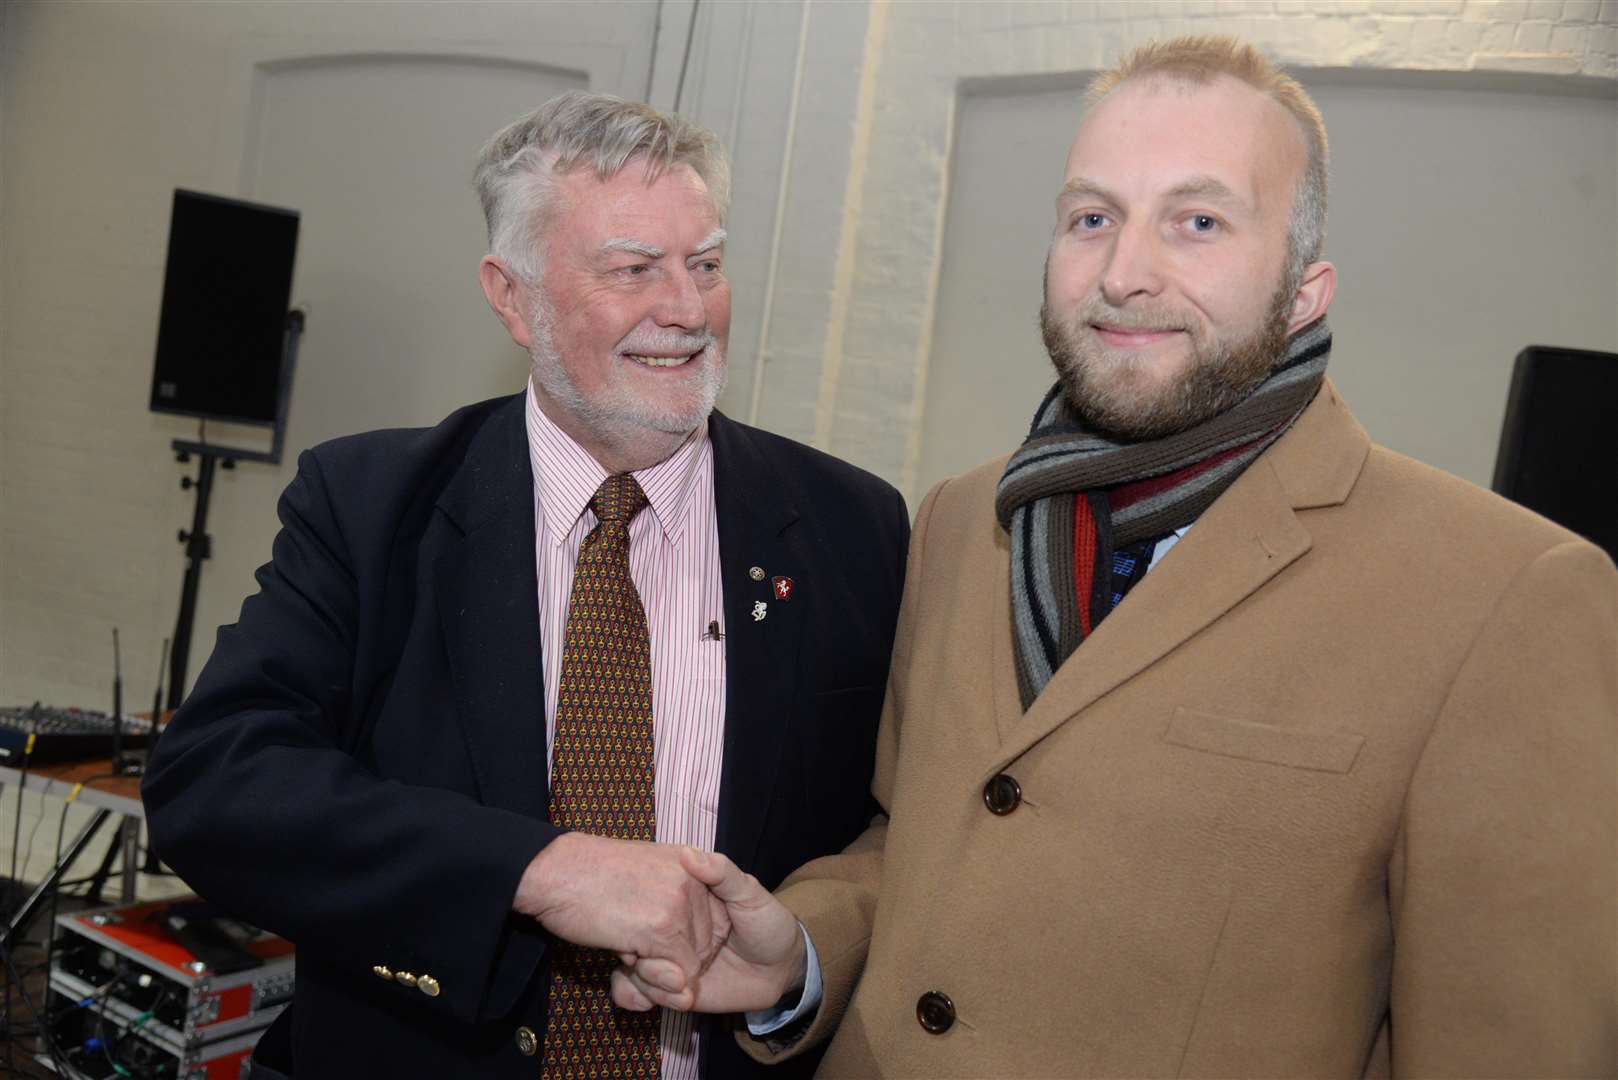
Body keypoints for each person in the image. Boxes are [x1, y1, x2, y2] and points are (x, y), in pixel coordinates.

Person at [613, 37, 1618, 1077]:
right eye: (1091, 218)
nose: (1125, 273)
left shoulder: (1505, 595)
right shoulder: (965, 519)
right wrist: (806, 950)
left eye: (1198, 221)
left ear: (1306, 287)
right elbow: (912, 835)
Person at [141, 91, 909, 1079]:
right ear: (513, 296)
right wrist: (537, 870)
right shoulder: (372, 506)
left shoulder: (854, 526)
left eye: (706, 265)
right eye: (633, 269)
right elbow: (218, 780)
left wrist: (801, 962)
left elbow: (899, 829)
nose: (685, 309)